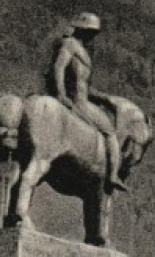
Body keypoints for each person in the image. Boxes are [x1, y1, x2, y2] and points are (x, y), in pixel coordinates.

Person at [46, 13, 128, 193]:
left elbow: (84, 86)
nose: (91, 36)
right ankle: (113, 175)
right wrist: (60, 94)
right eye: (89, 32)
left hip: (82, 98)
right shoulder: (70, 45)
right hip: (78, 102)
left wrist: (104, 98)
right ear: (81, 29)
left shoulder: (80, 50)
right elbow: (59, 68)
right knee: (111, 133)